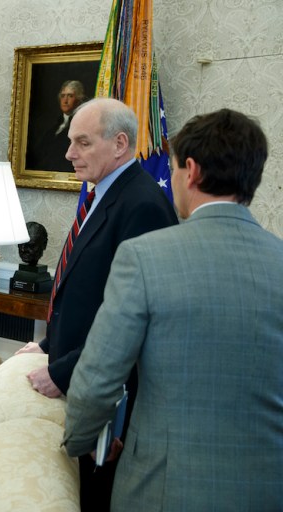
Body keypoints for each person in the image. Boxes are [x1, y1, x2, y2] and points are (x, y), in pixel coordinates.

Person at [63, 109, 283, 511]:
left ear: (191, 171)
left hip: (161, 490)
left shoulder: (145, 257)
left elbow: (98, 378)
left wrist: (81, 441)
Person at [15, 98, 178, 510]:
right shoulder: (103, 194)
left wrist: (65, 371)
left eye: (82, 143)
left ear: (119, 144)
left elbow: (135, 320)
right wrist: (49, 346)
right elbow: (88, 291)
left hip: (109, 400)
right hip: (82, 378)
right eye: (71, 142)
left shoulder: (142, 205)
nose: (70, 154)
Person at [28, 80, 86, 172]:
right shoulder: (53, 126)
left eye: (70, 96)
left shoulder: (83, 125)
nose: (65, 100)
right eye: (63, 96)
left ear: (79, 100)